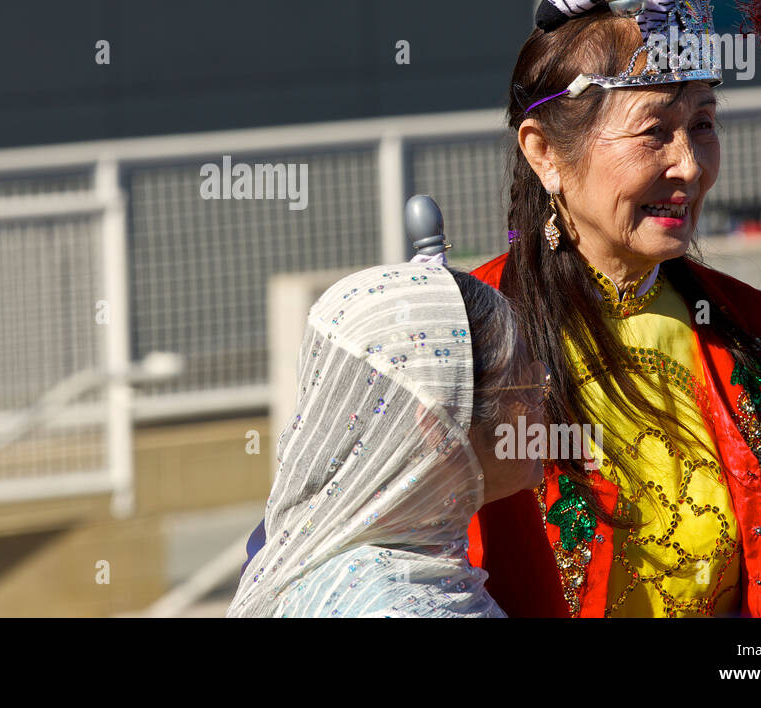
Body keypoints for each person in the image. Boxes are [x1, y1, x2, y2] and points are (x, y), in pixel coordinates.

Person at [463, 0, 761, 618]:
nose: (689, 164)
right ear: (545, 154)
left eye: (702, 124)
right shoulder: (462, 336)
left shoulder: (752, 333)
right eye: (653, 131)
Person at [227, 261, 548, 617]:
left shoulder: (341, 567)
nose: (545, 402)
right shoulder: (405, 608)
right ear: (440, 427)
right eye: (531, 384)